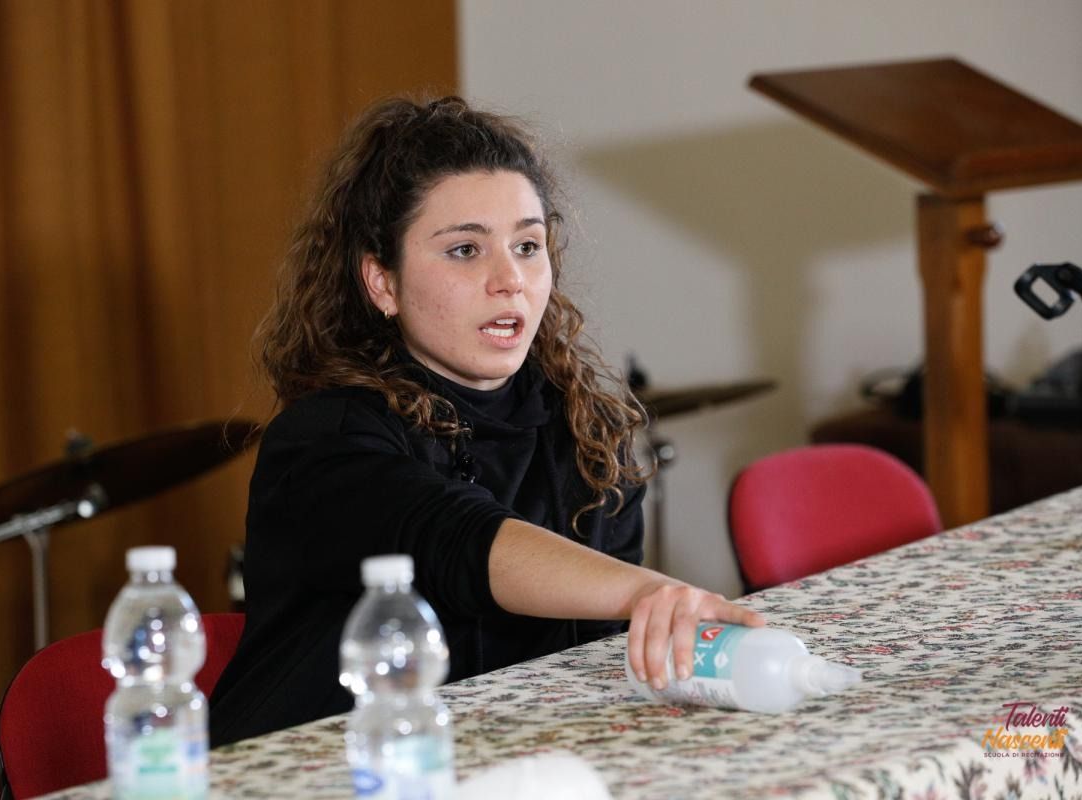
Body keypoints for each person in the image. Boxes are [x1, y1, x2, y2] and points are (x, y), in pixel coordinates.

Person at [209, 96, 763, 746]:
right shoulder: (323, 442)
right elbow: (461, 541)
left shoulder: (587, 428)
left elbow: (600, 667)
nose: (510, 279)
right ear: (381, 281)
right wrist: (654, 595)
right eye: (466, 250)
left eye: (528, 245)